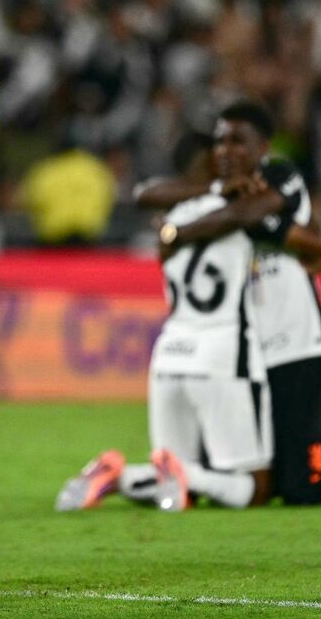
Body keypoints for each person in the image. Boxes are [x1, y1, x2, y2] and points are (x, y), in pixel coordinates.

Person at [59, 132, 275, 512]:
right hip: (223, 350)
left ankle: (117, 476)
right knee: (254, 488)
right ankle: (179, 475)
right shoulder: (238, 208)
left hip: (171, 352)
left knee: (170, 478)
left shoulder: (171, 219)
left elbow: (147, 200)